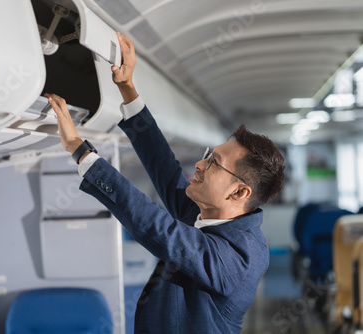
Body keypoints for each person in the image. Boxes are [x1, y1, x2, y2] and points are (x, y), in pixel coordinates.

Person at [45, 32, 285, 334]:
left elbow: (160, 229)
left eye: (213, 163)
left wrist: (81, 151)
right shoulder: (207, 217)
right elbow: (164, 168)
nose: (199, 164)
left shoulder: (241, 258)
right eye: (207, 155)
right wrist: (128, 88)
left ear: (239, 191)